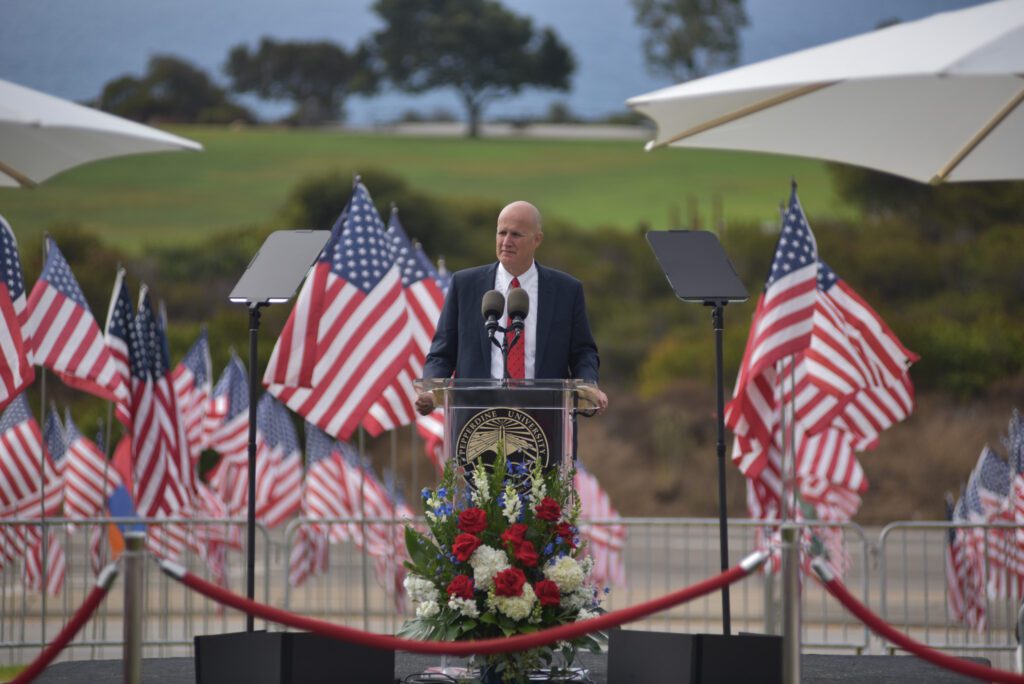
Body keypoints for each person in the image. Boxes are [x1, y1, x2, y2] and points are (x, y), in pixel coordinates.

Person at [415, 200, 608, 415]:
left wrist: (588, 385)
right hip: (476, 424)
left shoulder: (566, 290)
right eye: (501, 233)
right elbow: (442, 353)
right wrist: (431, 390)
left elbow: (583, 353)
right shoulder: (465, 285)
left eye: (516, 235)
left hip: (546, 424)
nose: (506, 241)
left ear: (537, 239)